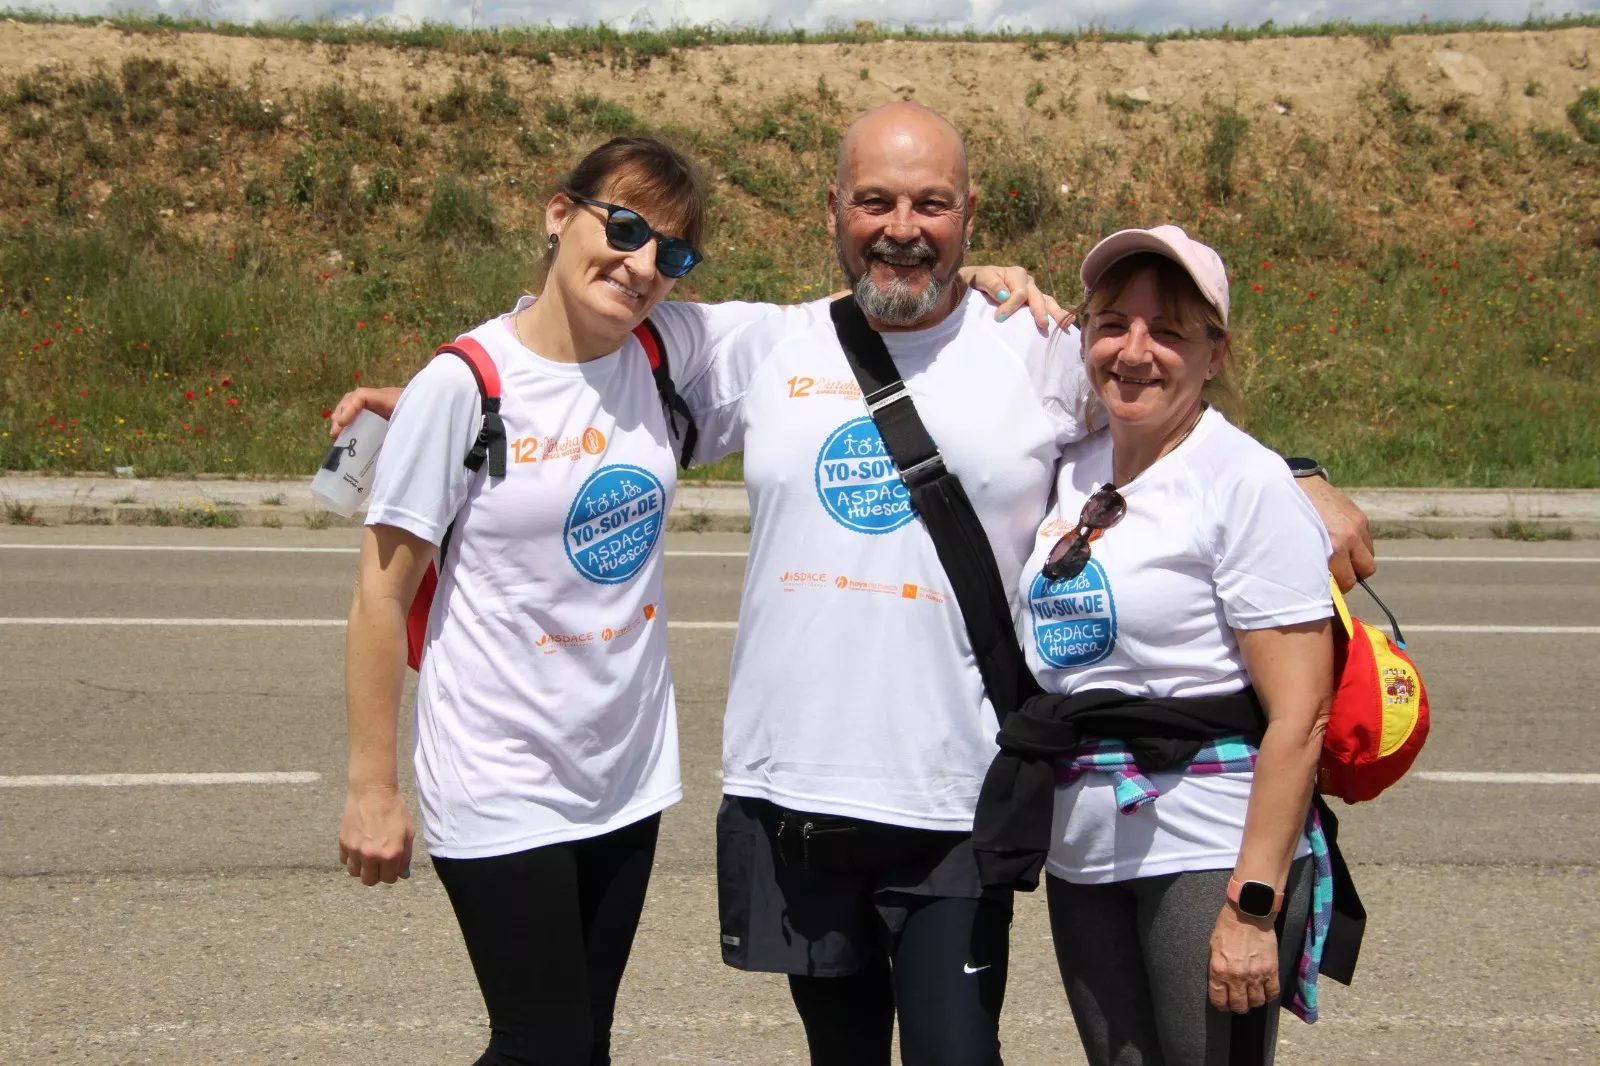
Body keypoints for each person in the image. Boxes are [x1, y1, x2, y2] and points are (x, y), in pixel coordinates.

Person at [335, 106, 1375, 1066]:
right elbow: (571, 346)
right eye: (876, 201)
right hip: (798, 803)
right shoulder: (757, 344)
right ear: (833, 209)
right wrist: (433, 392)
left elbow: (1163, 406)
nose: (902, 228)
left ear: (969, 215)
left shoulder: (1037, 347)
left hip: (957, 799)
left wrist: (1299, 476)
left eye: (931, 205)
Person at [335, 132, 1054, 1066]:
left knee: (582, 1045)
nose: (641, 266)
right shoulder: (468, 385)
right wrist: (371, 787)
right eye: (623, 229)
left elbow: (887, 294)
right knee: (544, 1045)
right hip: (500, 769)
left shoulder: (664, 351)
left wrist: (974, 278)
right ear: (559, 215)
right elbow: (380, 591)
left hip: (625, 782)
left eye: (671, 253)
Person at [994, 227, 1338, 1066]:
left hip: (1212, 847)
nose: (1134, 351)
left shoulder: (1244, 481)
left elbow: (1302, 716)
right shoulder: (1072, 464)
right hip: (1085, 845)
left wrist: (1253, 908)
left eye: (1169, 331)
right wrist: (978, 272)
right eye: (1112, 323)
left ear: (1216, 354)